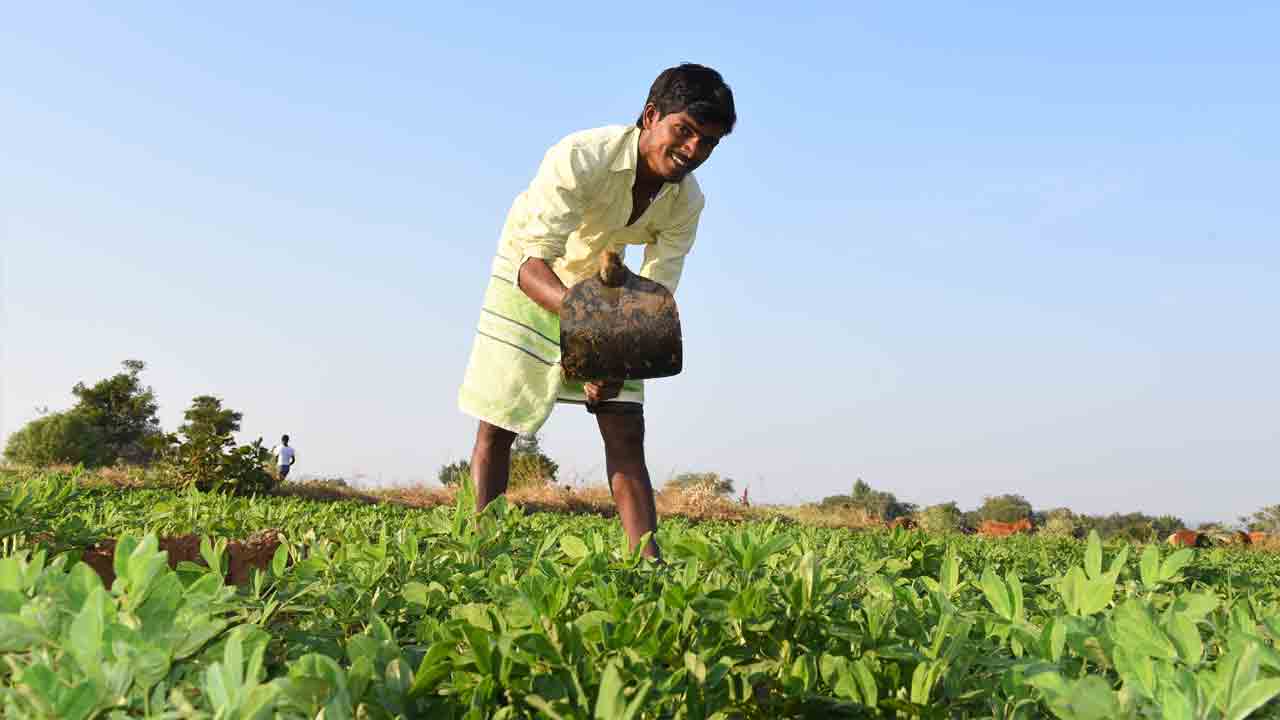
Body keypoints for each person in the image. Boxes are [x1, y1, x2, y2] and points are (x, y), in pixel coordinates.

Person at [457, 63, 735, 559]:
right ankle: (484, 553)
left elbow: (653, 296)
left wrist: (614, 359)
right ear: (651, 116)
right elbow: (531, 262)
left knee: (626, 428)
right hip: (533, 272)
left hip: (605, 293)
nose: (693, 151)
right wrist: (592, 334)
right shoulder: (581, 156)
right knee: (500, 422)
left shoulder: (687, 203)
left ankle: (650, 569)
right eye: (684, 131)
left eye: (708, 143)